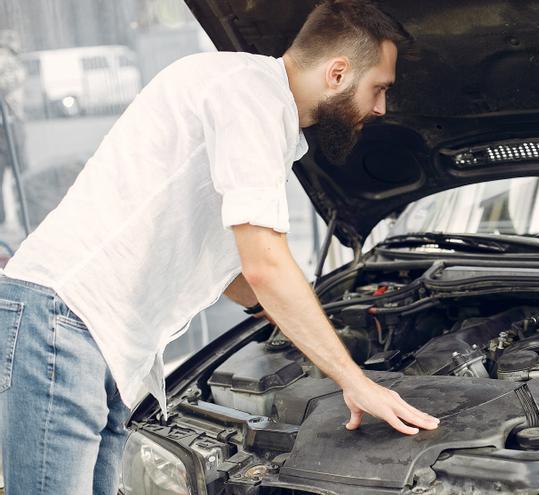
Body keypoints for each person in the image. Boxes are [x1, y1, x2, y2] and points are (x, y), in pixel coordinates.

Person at [0, 1, 439, 493]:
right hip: (65, 320)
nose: (381, 108)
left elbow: (228, 263)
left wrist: (302, 328)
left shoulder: (254, 102)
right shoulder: (248, 97)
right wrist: (354, 380)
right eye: (379, 88)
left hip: (100, 336)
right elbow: (264, 264)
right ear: (338, 73)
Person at [0, 29, 26, 226]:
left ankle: (10, 215)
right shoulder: (8, 60)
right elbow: (10, 82)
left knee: (11, 172)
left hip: (11, 119)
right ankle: (22, 212)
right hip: (9, 122)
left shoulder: (9, 61)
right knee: (19, 170)